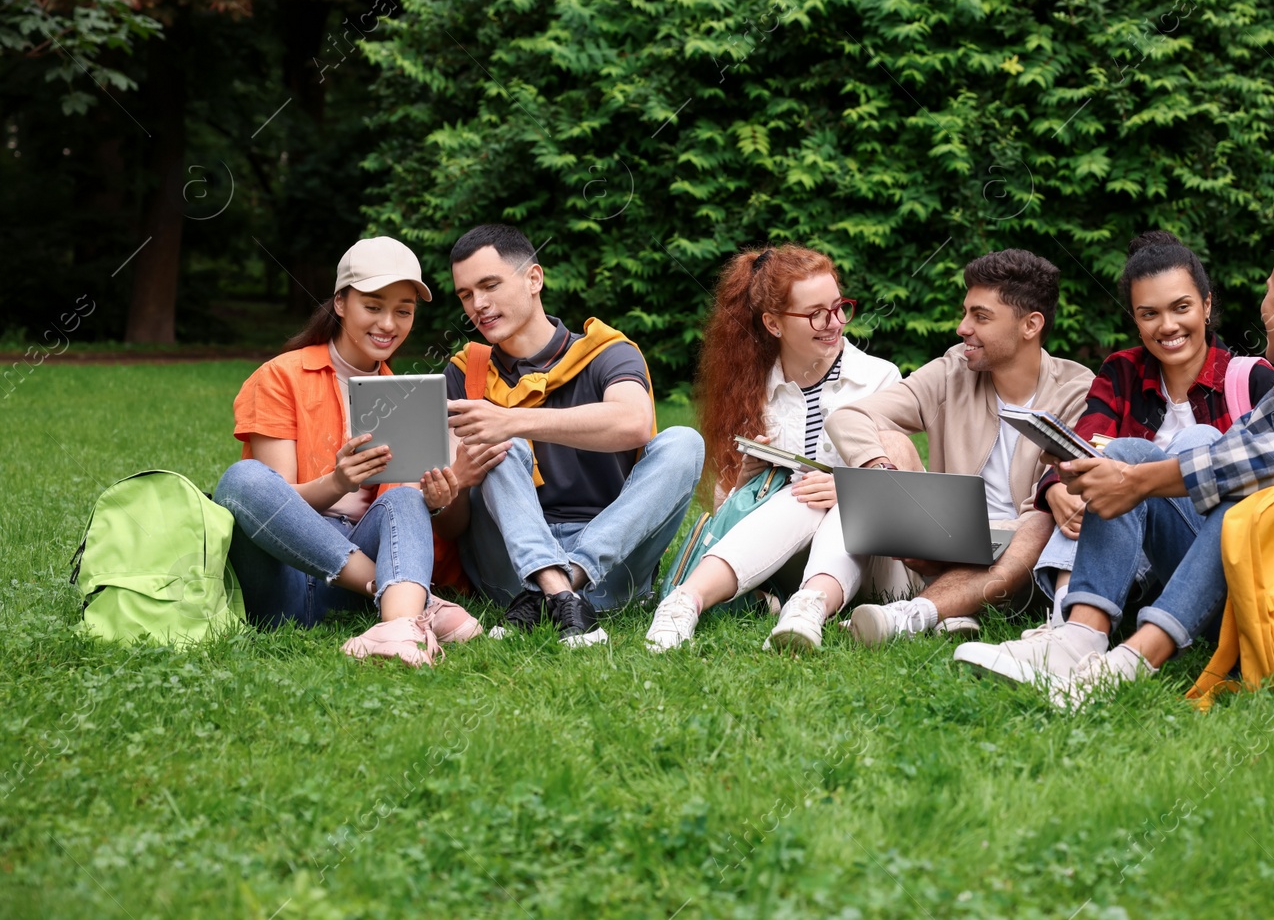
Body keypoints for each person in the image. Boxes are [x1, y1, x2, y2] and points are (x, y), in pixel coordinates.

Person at [958, 216, 1274, 708]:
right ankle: (1078, 639)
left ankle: (1127, 664)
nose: (1263, 302)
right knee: (1127, 451)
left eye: (1269, 289)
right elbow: (1222, 454)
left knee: (1242, 493)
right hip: (1269, 599)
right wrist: (1120, 472)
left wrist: (1141, 482)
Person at [995, 232, 1274, 666]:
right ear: (1136, 318)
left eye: (1181, 307)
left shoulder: (1251, 379)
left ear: (1206, 304)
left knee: (1191, 443)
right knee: (1112, 460)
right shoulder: (1122, 373)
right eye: (1150, 314)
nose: (1167, 326)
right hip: (1133, 564)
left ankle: (1073, 631)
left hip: (1226, 570)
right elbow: (1086, 445)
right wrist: (1054, 484)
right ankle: (1071, 629)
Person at [215, 236, 482, 666]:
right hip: (279, 582)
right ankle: (409, 599)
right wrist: (337, 481)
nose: (388, 324)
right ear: (340, 303)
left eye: (403, 311)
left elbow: (415, 522)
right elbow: (269, 503)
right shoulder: (280, 377)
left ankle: (397, 629)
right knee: (240, 481)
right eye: (373, 307)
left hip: (348, 600)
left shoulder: (407, 398)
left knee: (406, 497)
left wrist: (440, 500)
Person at [433, 224, 704, 647]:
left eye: (489, 285)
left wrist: (513, 420)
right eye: (465, 295)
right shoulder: (466, 372)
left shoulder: (607, 352)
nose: (478, 305)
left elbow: (632, 422)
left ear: (533, 278)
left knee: (685, 442)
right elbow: (452, 528)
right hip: (509, 569)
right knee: (498, 444)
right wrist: (453, 487)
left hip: (610, 565)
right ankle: (556, 589)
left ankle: (560, 586)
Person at [814, 249, 1096, 647]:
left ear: (1031, 325)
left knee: (1041, 519)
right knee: (890, 440)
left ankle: (916, 613)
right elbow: (849, 417)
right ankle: (951, 607)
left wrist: (982, 536)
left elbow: (1070, 488)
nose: (963, 328)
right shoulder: (953, 370)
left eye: (980, 317)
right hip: (940, 545)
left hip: (1021, 565)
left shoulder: (1076, 389)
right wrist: (884, 474)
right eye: (966, 313)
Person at [644, 245, 902, 651]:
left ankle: (808, 607)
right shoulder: (753, 391)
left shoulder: (879, 378)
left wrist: (850, 492)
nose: (834, 323)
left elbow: (906, 487)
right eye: (816, 313)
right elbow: (725, 514)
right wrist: (744, 479)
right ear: (773, 324)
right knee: (801, 495)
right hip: (779, 559)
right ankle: (684, 603)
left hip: (874, 560)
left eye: (839, 307)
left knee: (825, 497)